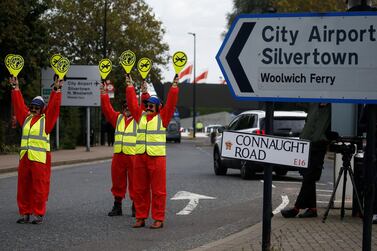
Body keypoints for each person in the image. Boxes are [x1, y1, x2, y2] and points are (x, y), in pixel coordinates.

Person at [126, 75, 179, 229]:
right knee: (139, 189)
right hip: (140, 157)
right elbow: (131, 102)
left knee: (158, 191)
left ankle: (158, 218)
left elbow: (170, 104)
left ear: (158, 108)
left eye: (151, 106)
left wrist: (174, 87)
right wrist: (129, 85)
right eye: (147, 105)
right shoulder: (139, 116)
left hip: (157, 158)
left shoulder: (163, 117)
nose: (148, 107)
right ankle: (141, 217)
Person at [11, 74, 63, 224]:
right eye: (32, 107)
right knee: (23, 187)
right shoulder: (25, 118)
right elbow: (19, 105)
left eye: (37, 108)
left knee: (39, 187)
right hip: (25, 158)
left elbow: (53, 107)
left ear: (41, 109)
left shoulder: (46, 121)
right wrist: (15, 88)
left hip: (40, 159)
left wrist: (57, 90)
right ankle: (25, 213)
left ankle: (38, 213)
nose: (33, 109)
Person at [100, 79, 150, 217]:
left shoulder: (139, 118)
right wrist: (103, 94)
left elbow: (145, 106)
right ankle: (117, 205)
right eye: (125, 106)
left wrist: (144, 93)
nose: (127, 108)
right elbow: (107, 109)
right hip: (119, 156)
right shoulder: (118, 119)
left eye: (129, 106)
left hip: (134, 155)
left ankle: (136, 206)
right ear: (122, 109)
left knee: (136, 183)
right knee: (117, 181)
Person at [281, 103, 331, 218]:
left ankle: (296, 208)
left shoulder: (333, 108)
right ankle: (312, 209)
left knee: (310, 176)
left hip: (319, 145)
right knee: (308, 177)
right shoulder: (313, 104)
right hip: (306, 144)